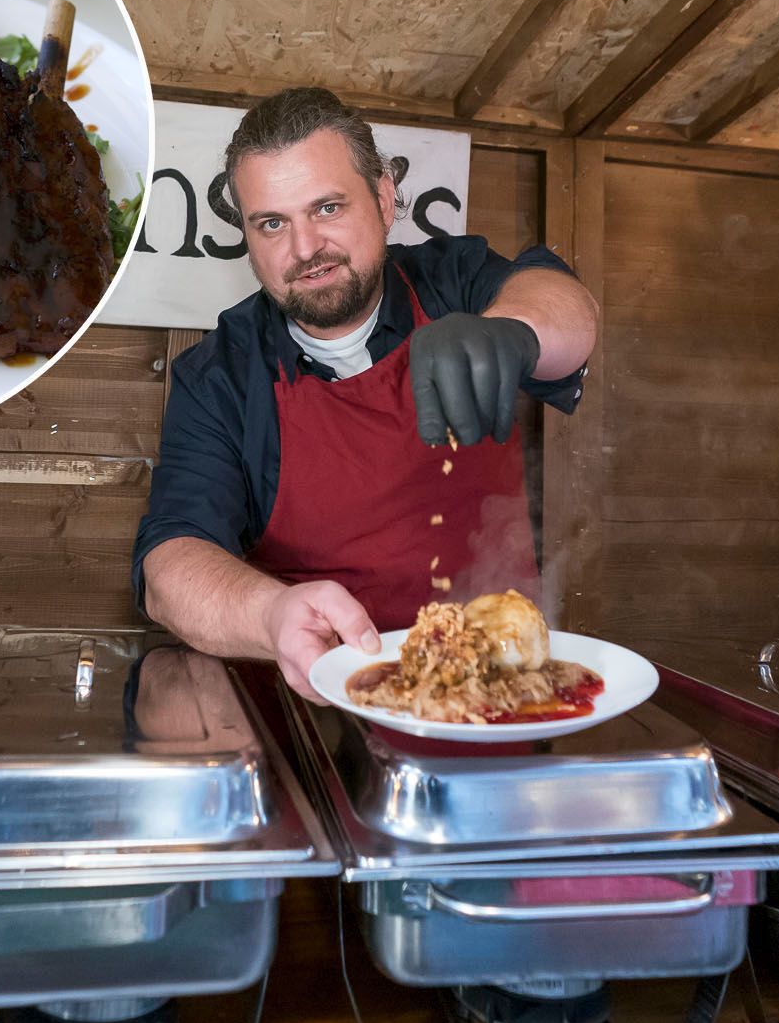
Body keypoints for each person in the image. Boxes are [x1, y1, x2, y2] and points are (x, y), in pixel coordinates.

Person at [131, 87, 599, 699]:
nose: (304, 249)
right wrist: (271, 616)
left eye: (327, 208)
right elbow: (171, 565)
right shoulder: (220, 374)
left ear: (383, 198)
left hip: (503, 696)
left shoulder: (452, 280)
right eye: (272, 223)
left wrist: (515, 330)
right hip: (322, 709)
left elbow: (567, 307)